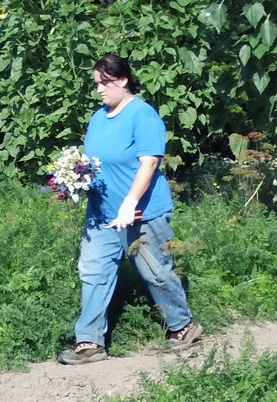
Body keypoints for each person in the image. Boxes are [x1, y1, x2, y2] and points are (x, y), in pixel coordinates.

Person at [58, 53, 204, 365]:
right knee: (94, 272)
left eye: (105, 83)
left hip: (142, 212)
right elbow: (94, 161)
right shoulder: (98, 118)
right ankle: (89, 341)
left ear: (123, 80)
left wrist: (130, 202)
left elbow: (149, 162)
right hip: (102, 214)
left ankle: (184, 326)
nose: (100, 90)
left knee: (156, 273)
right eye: (97, 84)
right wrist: (75, 177)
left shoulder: (143, 117)